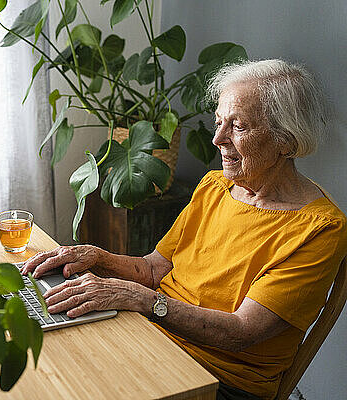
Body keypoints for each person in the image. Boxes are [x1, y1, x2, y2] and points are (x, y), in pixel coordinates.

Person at [22, 59, 347, 400]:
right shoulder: (215, 187)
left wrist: (142, 300)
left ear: (287, 140)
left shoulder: (320, 229)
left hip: (220, 380)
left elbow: (241, 331)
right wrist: (95, 257)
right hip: (153, 337)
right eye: (219, 122)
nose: (218, 139)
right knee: (44, 359)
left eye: (238, 127)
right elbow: (151, 269)